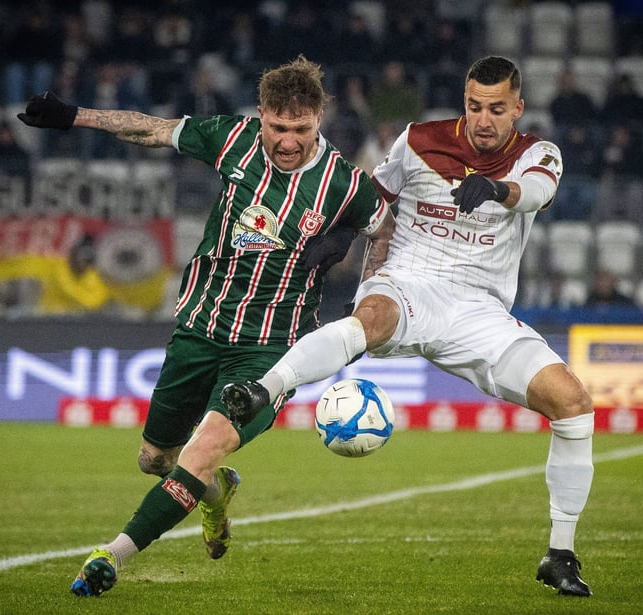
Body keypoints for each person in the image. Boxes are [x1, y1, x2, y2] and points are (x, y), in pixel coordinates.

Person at [221, 56, 595, 598]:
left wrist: (497, 190)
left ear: (517, 108)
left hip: (480, 310)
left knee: (573, 404)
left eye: (496, 109)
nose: (483, 119)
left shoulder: (539, 154)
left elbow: (535, 192)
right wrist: (342, 238)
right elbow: (372, 197)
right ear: (463, 101)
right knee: (369, 319)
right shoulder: (419, 140)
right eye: (474, 106)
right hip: (409, 282)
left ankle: (560, 555)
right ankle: (263, 389)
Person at [17, 55, 389, 596]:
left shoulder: (345, 183)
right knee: (155, 460)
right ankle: (216, 495)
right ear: (260, 115)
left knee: (204, 449)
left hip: (271, 349)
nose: (288, 142)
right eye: (278, 128)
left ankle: (111, 556)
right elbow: (153, 129)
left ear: (319, 119)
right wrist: (74, 116)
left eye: (301, 130)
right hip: (201, 326)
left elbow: (385, 230)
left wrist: (353, 261)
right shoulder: (233, 138)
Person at [36, 234, 111, 316]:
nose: (84, 262)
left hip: (75, 320)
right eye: (81, 256)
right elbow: (72, 294)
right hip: (49, 318)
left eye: (88, 259)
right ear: (73, 254)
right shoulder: (59, 270)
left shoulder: (91, 274)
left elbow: (95, 301)